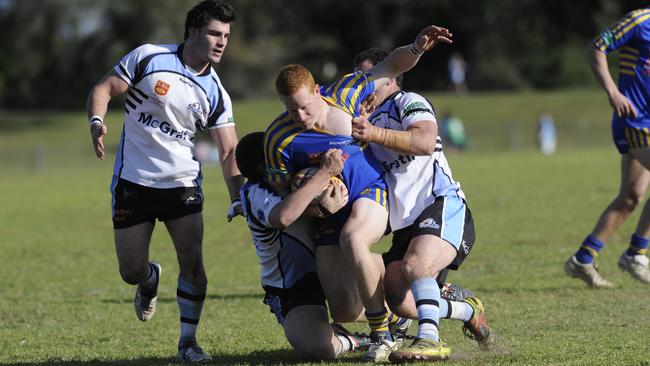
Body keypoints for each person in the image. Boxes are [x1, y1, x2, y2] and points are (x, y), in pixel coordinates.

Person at [264, 25, 452, 362]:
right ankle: (396, 309)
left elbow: (391, 66)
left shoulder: (346, 93)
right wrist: (317, 199)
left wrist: (416, 47)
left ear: (317, 90)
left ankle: (381, 334)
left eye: (306, 107)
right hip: (330, 213)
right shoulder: (277, 139)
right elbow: (285, 198)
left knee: (354, 240)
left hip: (370, 191)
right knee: (345, 309)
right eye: (291, 111)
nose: (301, 117)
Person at [85, 0, 243, 362]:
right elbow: (103, 88)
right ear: (192, 31)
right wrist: (96, 121)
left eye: (226, 36)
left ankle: (188, 342)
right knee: (130, 271)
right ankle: (148, 278)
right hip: (134, 182)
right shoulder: (149, 57)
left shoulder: (216, 91)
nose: (221, 42)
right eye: (214, 34)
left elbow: (229, 149)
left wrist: (238, 197)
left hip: (182, 186)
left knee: (193, 264)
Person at [351, 47, 496, 362]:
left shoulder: (408, 102)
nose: (364, 84)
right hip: (406, 223)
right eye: (359, 78)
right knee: (398, 297)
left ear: (391, 77)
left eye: (370, 76)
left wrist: (373, 133)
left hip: (442, 204)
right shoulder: (361, 120)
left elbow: (425, 142)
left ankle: (429, 340)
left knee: (416, 267)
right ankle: (465, 310)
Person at [235, 131, 372, 360]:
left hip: (329, 261)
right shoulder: (255, 193)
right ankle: (351, 339)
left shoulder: (296, 175)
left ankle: (400, 311)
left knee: (357, 294)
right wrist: (325, 173)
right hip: (293, 286)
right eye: (276, 156)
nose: (285, 158)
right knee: (318, 348)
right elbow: (284, 216)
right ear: (262, 168)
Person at [564, 8, 650, 288]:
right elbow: (597, 47)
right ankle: (636, 253)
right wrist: (613, 91)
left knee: (631, 197)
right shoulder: (640, 22)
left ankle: (583, 258)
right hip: (634, 121)